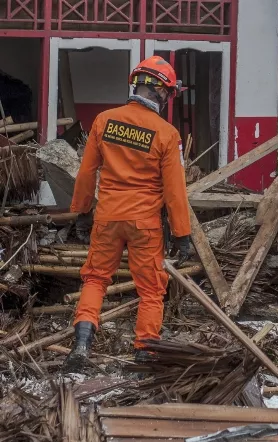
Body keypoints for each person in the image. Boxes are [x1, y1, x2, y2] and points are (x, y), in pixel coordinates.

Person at [64, 56, 191, 371]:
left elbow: (86, 173)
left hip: (107, 217)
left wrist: (81, 212)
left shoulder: (104, 121)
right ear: (162, 93)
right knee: (150, 289)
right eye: (169, 93)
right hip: (144, 223)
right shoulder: (166, 133)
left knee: (95, 279)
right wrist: (181, 233)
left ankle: (81, 348)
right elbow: (175, 191)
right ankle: (144, 353)